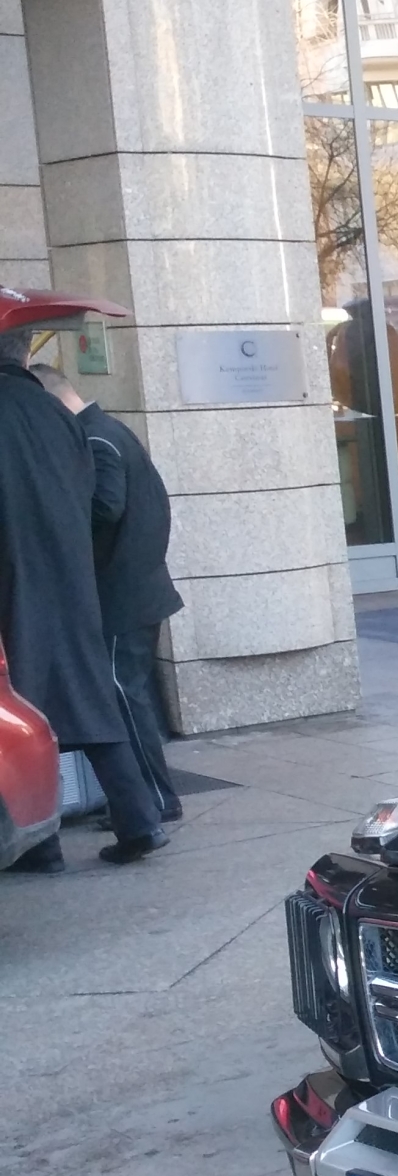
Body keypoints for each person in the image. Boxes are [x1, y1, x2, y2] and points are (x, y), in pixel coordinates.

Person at [0, 328, 165, 867]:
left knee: (22, 713)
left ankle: (40, 844)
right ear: (25, 353)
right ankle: (139, 819)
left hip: (14, 580)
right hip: (71, 580)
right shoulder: (55, 414)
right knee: (92, 705)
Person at [33, 362, 183, 824]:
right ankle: (147, 798)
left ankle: (156, 800)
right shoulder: (108, 429)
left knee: (124, 697)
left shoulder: (95, 438)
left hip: (122, 595)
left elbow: (106, 506)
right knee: (128, 696)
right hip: (137, 590)